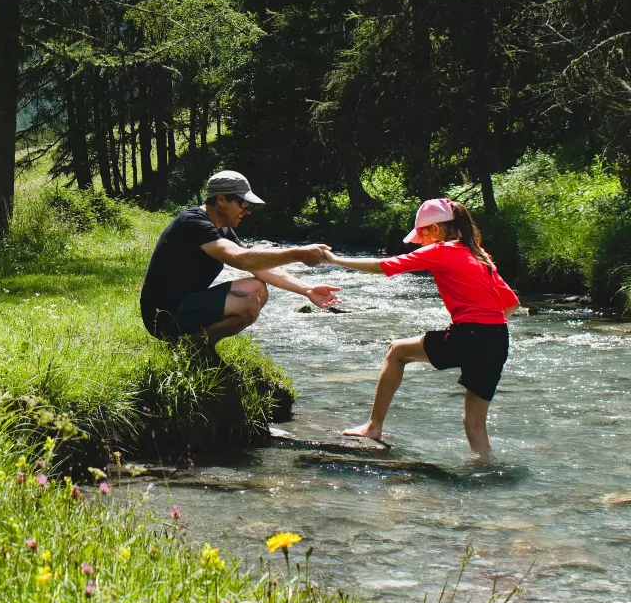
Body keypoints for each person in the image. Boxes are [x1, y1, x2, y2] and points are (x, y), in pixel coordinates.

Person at [322, 198, 519, 458]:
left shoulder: (440, 250)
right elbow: (512, 304)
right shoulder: (479, 255)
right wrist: (480, 324)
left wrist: (336, 260)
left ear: (435, 230)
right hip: (497, 339)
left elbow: (385, 266)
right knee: (474, 423)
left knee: (397, 351)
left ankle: (373, 427)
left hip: (470, 335)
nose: (421, 243)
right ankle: (486, 467)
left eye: (421, 236)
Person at [140, 170, 340, 357]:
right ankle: (192, 349)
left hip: (186, 301)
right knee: (248, 304)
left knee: (257, 288)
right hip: (164, 315)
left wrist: (307, 290)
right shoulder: (193, 222)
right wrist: (298, 254)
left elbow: (257, 266)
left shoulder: (221, 228)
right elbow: (241, 259)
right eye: (243, 203)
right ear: (221, 199)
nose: (247, 211)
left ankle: (195, 344)